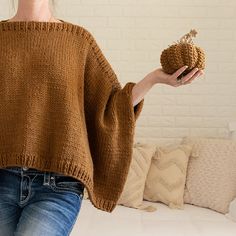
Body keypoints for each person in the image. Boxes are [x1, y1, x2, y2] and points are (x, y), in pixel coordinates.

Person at [0, 0, 204, 235]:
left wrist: (153, 79)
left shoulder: (78, 41)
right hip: (3, 178)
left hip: (57, 186)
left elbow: (111, 106)